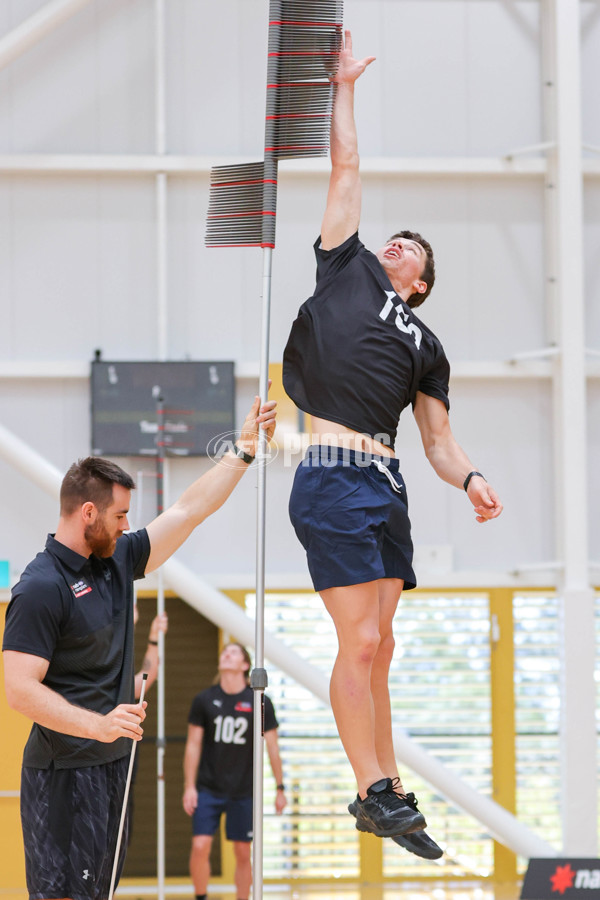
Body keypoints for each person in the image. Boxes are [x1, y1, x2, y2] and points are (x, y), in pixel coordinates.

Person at [282, 31, 503, 861]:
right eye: (394, 239)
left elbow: (440, 442)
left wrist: (472, 476)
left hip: (390, 483)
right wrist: (343, 89)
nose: (396, 243)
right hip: (332, 473)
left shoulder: (427, 344)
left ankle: (388, 788)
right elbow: (346, 172)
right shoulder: (347, 270)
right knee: (361, 642)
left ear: (421, 284)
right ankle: (371, 786)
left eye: (411, 249)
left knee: (386, 648)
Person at [2, 395, 276, 900]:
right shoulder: (40, 586)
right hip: (65, 775)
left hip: (112, 766)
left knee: (101, 891)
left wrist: (243, 450)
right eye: (120, 514)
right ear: (88, 513)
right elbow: (18, 691)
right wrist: (98, 725)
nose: (128, 525)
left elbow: (190, 510)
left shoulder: (116, 558)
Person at [182, 642, 286, 900]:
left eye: (233, 652)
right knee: (200, 845)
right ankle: (201, 896)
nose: (226, 654)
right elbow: (193, 745)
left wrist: (280, 787)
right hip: (208, 787)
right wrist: (189, 786)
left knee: (242, 851)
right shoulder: (204, 700)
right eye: (224, 651)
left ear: (244, 665)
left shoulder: (260, 701)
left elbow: (272, 748)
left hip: (243, 789)